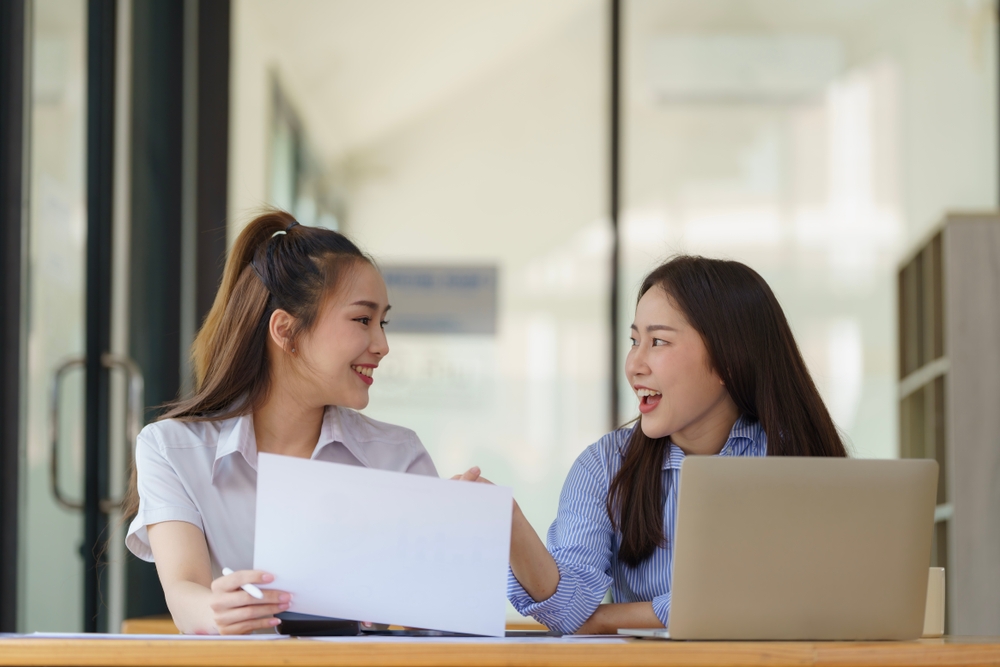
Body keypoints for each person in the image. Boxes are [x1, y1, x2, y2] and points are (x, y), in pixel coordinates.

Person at [457, 255, 847, 634]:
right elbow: (569, 612)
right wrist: (510, 524)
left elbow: (796, 603)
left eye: (658, 341)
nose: (634, 364)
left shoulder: (793, 460)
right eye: (634, 340)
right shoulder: (605, 465)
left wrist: (608, 618)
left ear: (730, 360)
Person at [123, 210, 437, 635]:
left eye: (382, 322)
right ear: (285, 330)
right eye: (363, 320)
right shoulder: (171, 448)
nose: (382, 345)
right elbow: (185, 593)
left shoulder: (399, 456)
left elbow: (429, 620)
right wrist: (219, 609)